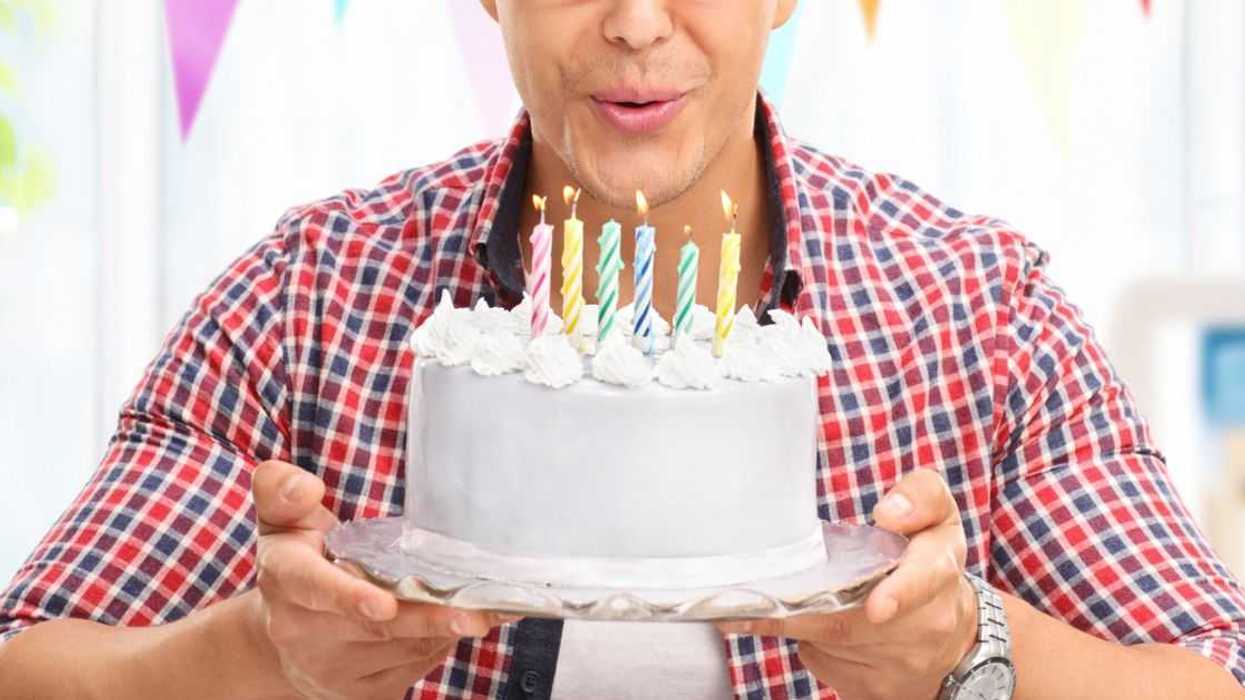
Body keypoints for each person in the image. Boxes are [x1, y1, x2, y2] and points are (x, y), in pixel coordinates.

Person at [2, 1, 1243, 698]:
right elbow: (32, 665)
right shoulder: (312, 296)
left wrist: (970, 652)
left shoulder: (974, 311)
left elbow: (1210, 680)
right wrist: (255, 656)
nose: (638, 24)